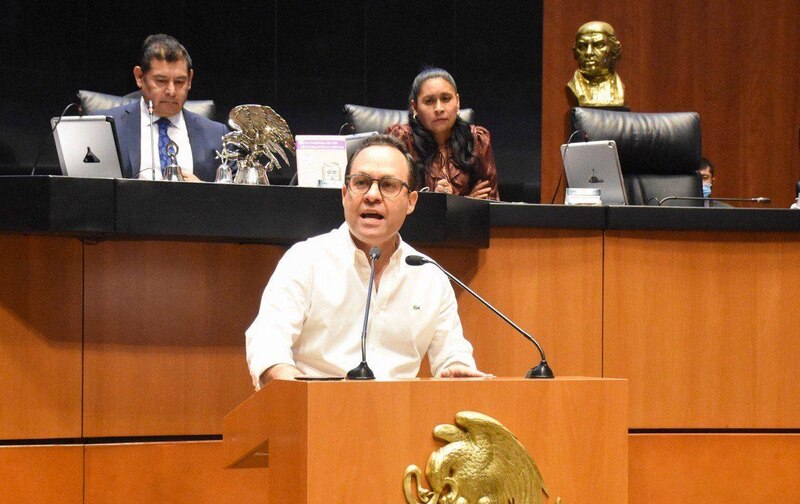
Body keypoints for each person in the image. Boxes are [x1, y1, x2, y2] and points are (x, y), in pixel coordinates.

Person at [245, 134, 488, 389]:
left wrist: (456, 369)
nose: (372, 195)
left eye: (388, 185)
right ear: (344, 194)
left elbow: (453, 356)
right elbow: (267, 344)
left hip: (400, 419)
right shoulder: (305, 260)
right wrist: (295, 386)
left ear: (411, 202)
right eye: (361, 183)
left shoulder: (429, 275)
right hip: (317, 413)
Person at [101, 34, 228, 181]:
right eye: (161, 81)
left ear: (190, 80)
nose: (171, 91)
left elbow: (238, 198)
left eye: (180, 82)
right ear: (140, 77)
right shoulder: (106, 127)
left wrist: (202, 191)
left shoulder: (218, 135)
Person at [386, 68, 499, 200]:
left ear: (457, 101)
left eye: (446, 99)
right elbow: (393, 198)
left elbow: (489, 202)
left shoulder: (477, 139)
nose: (439, 108)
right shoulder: (401, 140)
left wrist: (456, 204)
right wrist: (462, 201)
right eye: (429, 101)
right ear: (415, 107)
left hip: (467, 221)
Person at [567, 21, 625, 107]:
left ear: (614, 50)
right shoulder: (572, 87)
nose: (589, 53)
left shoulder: (620, 89)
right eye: (582, 46)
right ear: (575, 52)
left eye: (598, 45)